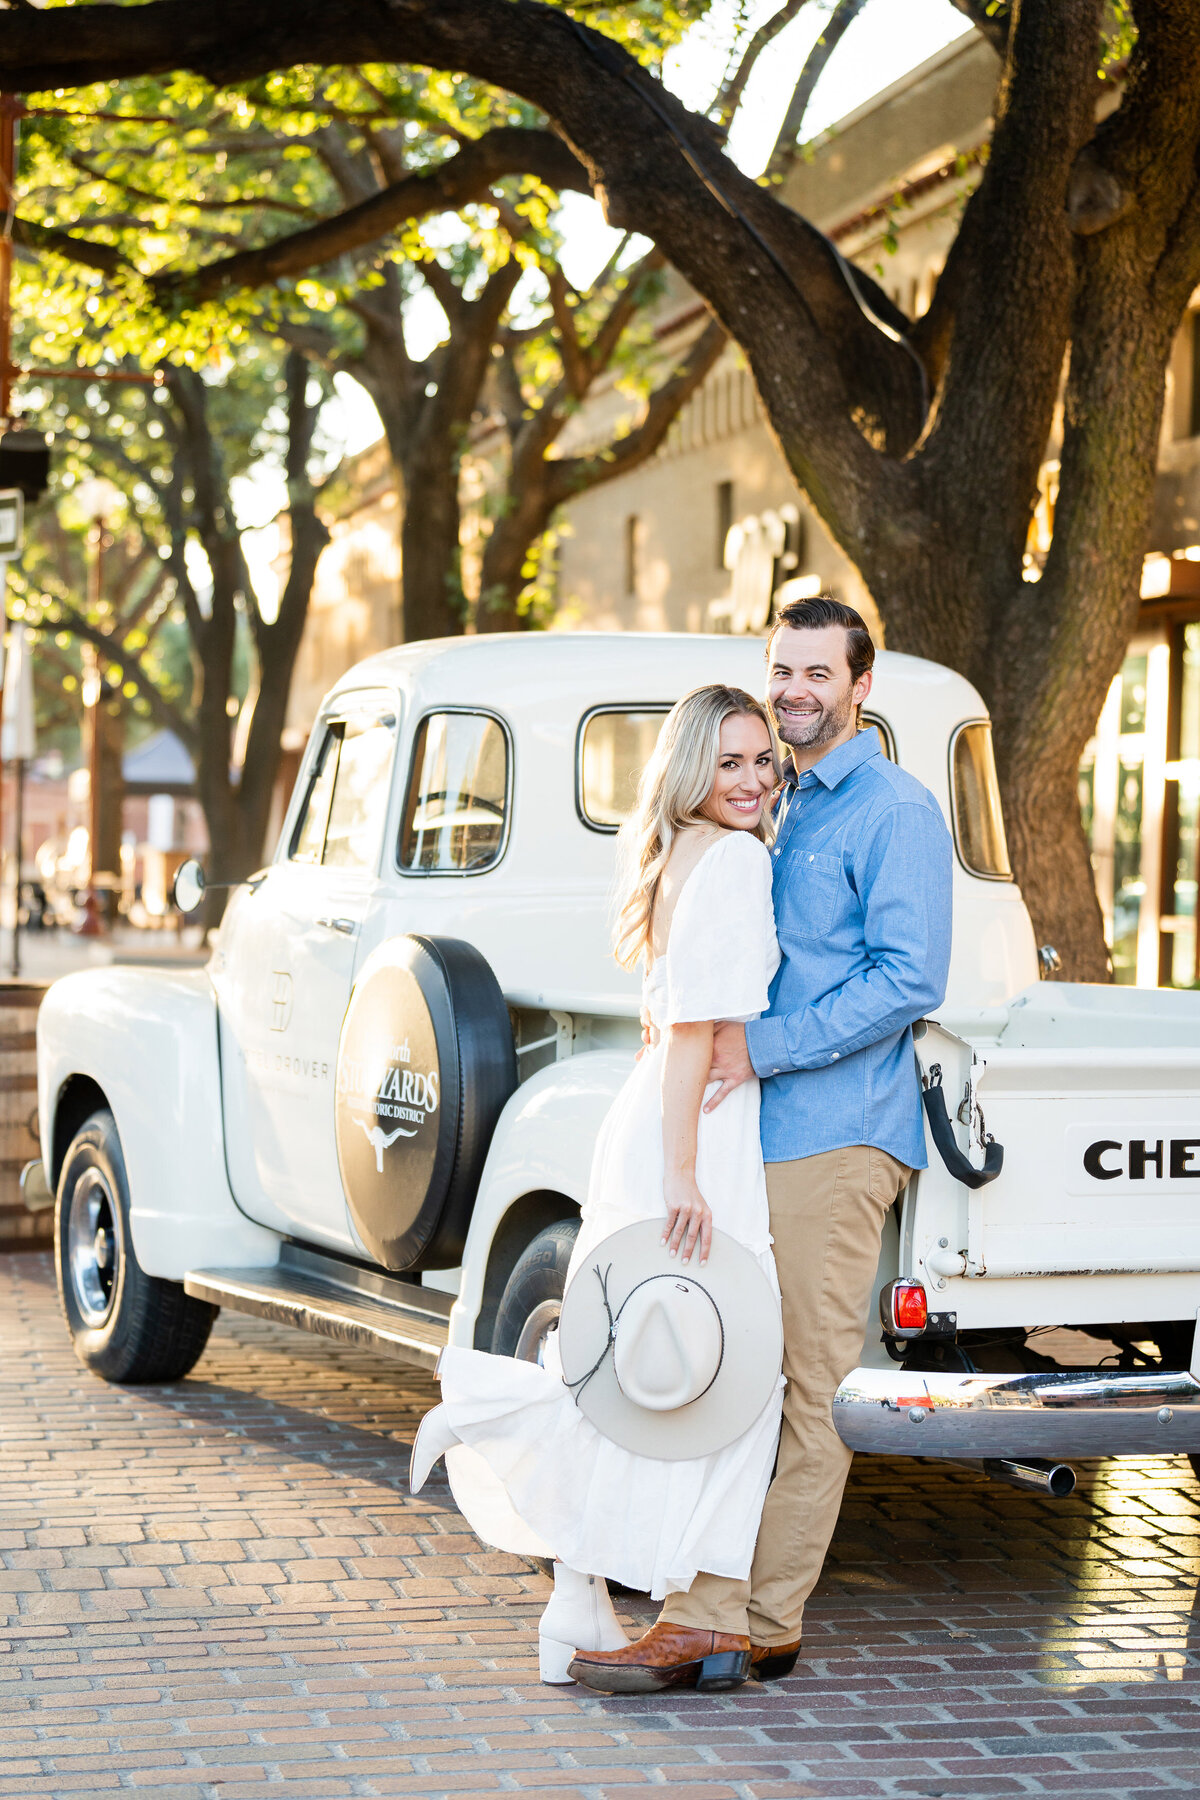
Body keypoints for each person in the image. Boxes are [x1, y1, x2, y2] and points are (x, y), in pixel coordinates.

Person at [571, 595, 953, 1695]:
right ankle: (715, 1608)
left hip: (836, 1136)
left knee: (805, 1383)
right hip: (760, 1134)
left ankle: (747, 1621)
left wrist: (762, 1047)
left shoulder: (893, 811)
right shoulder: (776, 805)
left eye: (816, 675)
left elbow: (909, 979)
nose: (794, 692)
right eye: (781, 670)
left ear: (860, 686)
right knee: (732, 1372)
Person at [409, 683, 785, 1688]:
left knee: (633, 1378)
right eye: (731, 761)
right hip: (696, 1137)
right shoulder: (740, 861)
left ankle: (574, 1602)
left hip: (656, 1123)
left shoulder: (677, 854)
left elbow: (676, 1029)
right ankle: (670, 1594)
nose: (751, 781)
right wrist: (683, 1178)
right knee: (723, 1379)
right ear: (691, 767)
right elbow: (703, 1032)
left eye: (762, 762)